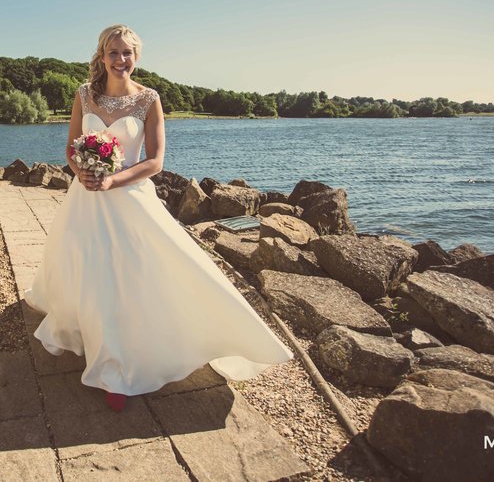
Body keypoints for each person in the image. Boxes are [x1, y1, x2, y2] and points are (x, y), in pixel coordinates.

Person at [24, 24, 293, 412]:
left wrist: (112, 179)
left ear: (137, 57)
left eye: (127, 53)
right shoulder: (84, 95)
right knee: (88, 268)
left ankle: (117, 367)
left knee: (128, 275)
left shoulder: (149, 100)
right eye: (113, 53)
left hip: (130, 199)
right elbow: (70, 146)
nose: (121, 60)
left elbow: (155, 161)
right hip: (85, 200)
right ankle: (94, 339)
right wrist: (79, 170)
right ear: (102, 56)